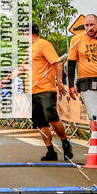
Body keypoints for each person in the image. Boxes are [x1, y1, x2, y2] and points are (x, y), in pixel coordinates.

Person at [26, 24, 72, 160]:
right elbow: (23, 67)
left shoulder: (44, 45)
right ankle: (50, 151)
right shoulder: (29, 50)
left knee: (52, 119)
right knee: (41, 123)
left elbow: (57, 63)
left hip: (46, 89)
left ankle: (65, 143)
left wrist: (60, 82)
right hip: (33, 91)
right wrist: (8, 78)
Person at [68, 13, 97, 148]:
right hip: (87, 83)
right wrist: (71, 86)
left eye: (92, 25)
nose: (89, 28)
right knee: (95, 116)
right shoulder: (76, 39)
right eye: (86, 25)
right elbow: (71, 64)